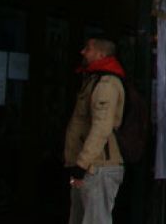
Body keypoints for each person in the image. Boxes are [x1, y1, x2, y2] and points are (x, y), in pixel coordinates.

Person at [64, 38, 126, 224]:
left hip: (97, 167)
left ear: (101, 54)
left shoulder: (106, 83)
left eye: (88, 49)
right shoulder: (94, 80)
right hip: (89, 166)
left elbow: (101, 127)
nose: (83, 52)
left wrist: (81, 164)